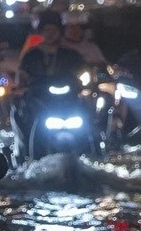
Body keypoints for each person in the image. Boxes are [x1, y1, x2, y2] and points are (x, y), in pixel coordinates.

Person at [11, 10, 87, 144]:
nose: (50, 34)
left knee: (86, 117)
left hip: (68, 99)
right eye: (46, 30)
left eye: (54, 30)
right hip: (39, 99)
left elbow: (83, 73)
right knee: (21, 113)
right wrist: (21, 87)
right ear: (41, 32)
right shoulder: (32, 54)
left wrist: (87, 84)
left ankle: (93, 146)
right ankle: (26, 146)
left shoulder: (71, 54)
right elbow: (22, 75)